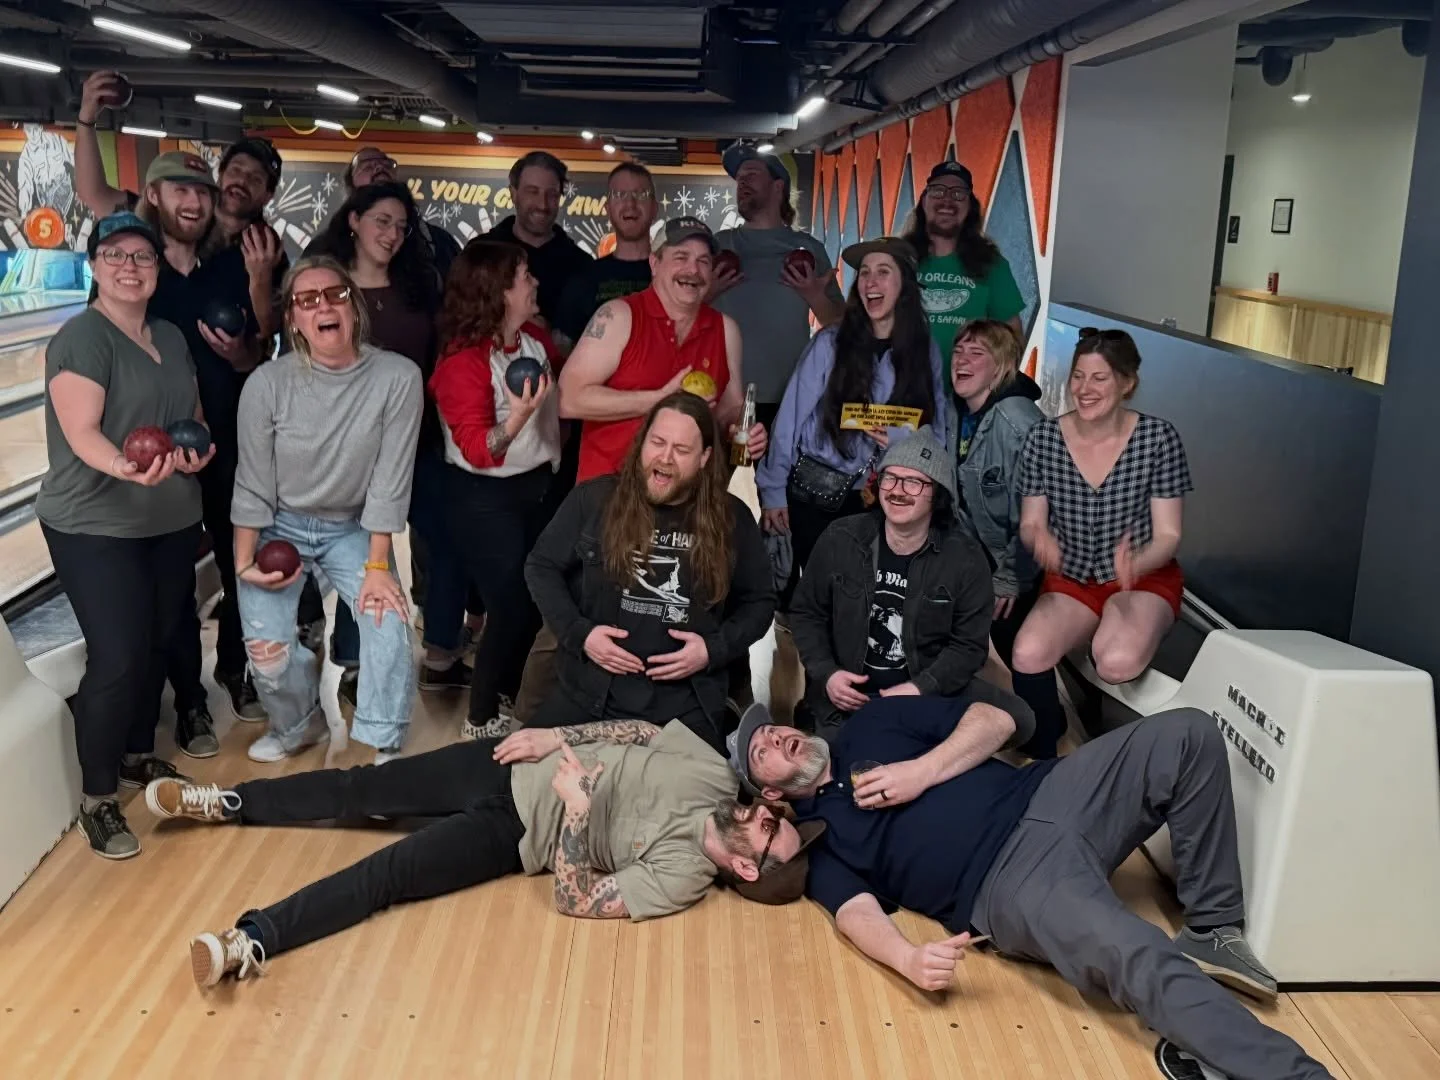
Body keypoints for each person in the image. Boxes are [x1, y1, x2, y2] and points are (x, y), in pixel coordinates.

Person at [731, 701, 1333, 1080]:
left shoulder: (872, 723)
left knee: (1187, 733)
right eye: (762, 753)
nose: (776, 739)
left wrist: (923, 770)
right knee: (1137, 952)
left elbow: (997, 719)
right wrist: (909, 960)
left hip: (1050, 790)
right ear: (772, 793)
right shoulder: (824, 841)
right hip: (1010, 881)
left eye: (774, 730)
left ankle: (1213, 926)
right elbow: (855, 913)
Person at [145, 716, 816, 987]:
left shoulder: (681, 879)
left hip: (513, 835)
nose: (765, 812)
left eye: (770, 831)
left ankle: (251, 939)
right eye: (775, 813)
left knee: (387, 876)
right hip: (506, 764)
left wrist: (578, 814)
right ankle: (228, 801)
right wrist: (556, 736)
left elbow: (576, 897)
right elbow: (641, 731)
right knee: (362, 790)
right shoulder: (715, 776)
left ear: (747, 868)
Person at [36, 212, 216, 858]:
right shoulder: (82, 339)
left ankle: (139, 753)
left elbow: (191, 417)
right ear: (94, 266)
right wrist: (125, 468)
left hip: (169, 517)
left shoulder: (168, 334)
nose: (129, 267)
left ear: (157, 268)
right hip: (94, 521)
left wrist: (196, 451)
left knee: (160, 638)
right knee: (117, 657)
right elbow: (83, 432)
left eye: (141, 256)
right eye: (114, 255)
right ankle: (98, 798)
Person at [231, 257, 422, 763]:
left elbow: (389, 481)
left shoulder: (398, 377)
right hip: (279, 525)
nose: (324, 306)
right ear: (293, 320)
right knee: (267, 656)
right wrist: (243, 563)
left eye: (336, 295)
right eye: (307, 300)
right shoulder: (266, 384)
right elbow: (252, 483)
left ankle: (384, 740)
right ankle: (300, 725)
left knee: (387, 618)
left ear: (354, 307)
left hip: (351, 526)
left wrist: (378, 567)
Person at [524, 393, 775, 754]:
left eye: (681, 449)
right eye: (657, 442)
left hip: (686, 704)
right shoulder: (593, 499)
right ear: (642, 443)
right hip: (590, 693)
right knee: (516, 772)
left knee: (704, 787)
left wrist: (712, 650)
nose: (665, 457)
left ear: (705, 457)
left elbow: (760, 602)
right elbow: (541, 566)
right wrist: (581, 635)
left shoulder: (732, 518)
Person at [308, 181, 472, 707]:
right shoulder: (326, 287)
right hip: (350, 447)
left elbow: (441, 356)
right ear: (353, 220)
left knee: (447, 540)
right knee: (361, 557)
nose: (393, 234)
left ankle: (442, 652)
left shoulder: (418, 284)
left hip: (418, 440)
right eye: (382, 221)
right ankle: (357, 664)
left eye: (401, 226)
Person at [757, 237, 948, 611]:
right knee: (817, 604)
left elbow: (938, 434)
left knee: (867, 606)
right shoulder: (829, 343)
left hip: (885, 501)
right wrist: (773, 489)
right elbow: (789, 420)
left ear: (905, 286)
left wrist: (902, 440)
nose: (870, 282)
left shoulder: (925, 352)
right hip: (816, 498)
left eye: (883, 272)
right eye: (864, 273)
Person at [430, 241, 563, 738]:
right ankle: (481, 716)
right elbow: (478, 449)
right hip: (482, 499)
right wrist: (518, 418)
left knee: (533, 599)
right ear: (499, 290)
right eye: (525, 276)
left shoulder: (534, 340)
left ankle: (508, 691)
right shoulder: (463, 361)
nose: (535, 283)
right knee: (508, 606)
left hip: (536, 488)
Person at [1011, 328, 1191, 691]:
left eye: (1099, 378)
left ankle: (1117, 628)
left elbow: (1169, 535)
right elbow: (1031, 522)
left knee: (1115, 662)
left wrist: (1135, 564)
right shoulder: (1042, 439)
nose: (1084, 388)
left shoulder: (1159, 438)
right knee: (1027, 654)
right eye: (1078, 376)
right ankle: (1047, 725)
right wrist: (1039, 539)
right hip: (1071, 579)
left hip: (1142, 578)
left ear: (1127, 383)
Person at [790, 427, 995, 740]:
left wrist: (919, 688)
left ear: (938, 494)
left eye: (914, 482)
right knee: (846, 762)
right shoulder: (840, 538)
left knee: (1019, 718)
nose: (898, 490)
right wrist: (828, 674)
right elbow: (807, 613)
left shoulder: (965, 559)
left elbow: (969, 646)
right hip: (845, 703)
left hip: (925, 700)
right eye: (890, 478)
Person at [559, 216, 762, 484]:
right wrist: (658, 400)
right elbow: (567, 400)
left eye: (703, 261)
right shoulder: (618, 316)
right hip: (610, 492)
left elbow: (730, 408)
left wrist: (742, 429)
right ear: (654, 263)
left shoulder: (725, 329)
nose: (693, 270)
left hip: (687, 495)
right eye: (681, 257)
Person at [947, 319, 1064, 757]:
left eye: (976, 353)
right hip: (986, 555)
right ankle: (1049, 723)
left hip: (1026, 560)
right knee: (1007, 639)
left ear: (1001, 366)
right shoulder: (960, 414)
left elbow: (1045, 514)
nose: (962, 360)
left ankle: (1045, 753)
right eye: (959, 351)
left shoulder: (1019, 423)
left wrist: (1011, 576)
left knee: (1023, 650)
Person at [709, 143, 844, 429]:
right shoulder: (718, 246)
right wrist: (708, 293)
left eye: (751, 174)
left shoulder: (807, 249)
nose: (742, 182)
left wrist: (814, 296)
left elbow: (841, 325)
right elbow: (677, 316)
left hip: (790, 399)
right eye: (739, 178)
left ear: (778, 186)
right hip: (723, 396)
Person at [902, 161, 1024, 360]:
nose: (947, 200)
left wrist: (993, 379)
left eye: (958, 193)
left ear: (970, 207)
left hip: (964, 381)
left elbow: (1013, 340)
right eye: (938, 191)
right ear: (924, 201)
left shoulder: (992, 264)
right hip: (900, 379)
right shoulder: (899, 257)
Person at [313, 146, 462, 283]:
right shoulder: (324, 248)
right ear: (355, 220)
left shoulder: (439, 242)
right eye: (367, 166)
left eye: (386, 165)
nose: (379, 168)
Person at [482, 151, 593, 329]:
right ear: (513, 193)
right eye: (532, 192)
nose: (542, 204)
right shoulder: (481, 253)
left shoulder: (582, 265)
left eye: (552, 194)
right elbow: (459, 319)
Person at [553, 162, 660, 347]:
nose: (630, 204)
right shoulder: (583, 279)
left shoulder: (673, 276)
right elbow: (562, 350)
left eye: (641, 194)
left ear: (654, 208)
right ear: (608, 209)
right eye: (619, 195)